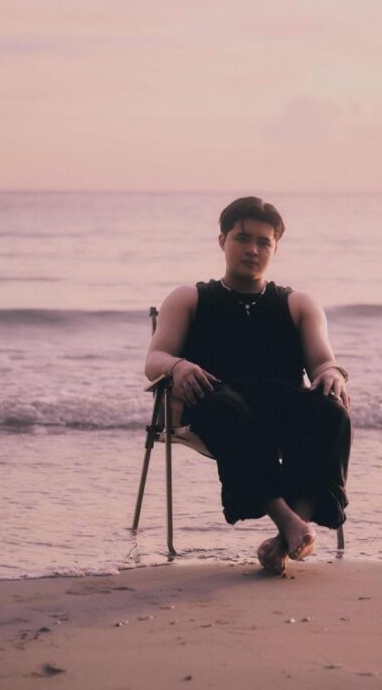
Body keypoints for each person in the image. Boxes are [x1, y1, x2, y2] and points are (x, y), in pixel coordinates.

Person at [145, 196, 351, 575]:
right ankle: (287, 520)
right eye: (242, 238)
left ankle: (293, 529)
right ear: (222, 241)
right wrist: (178, 366)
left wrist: (333, 373)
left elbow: (323, 362)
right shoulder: (190, 298)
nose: (252, 249)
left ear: (275, 248)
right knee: (225, 409)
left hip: (280, 407)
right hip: (216, 407)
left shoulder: (298, 304)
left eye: (263, 242)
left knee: (331, 410)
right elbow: (154, 359)